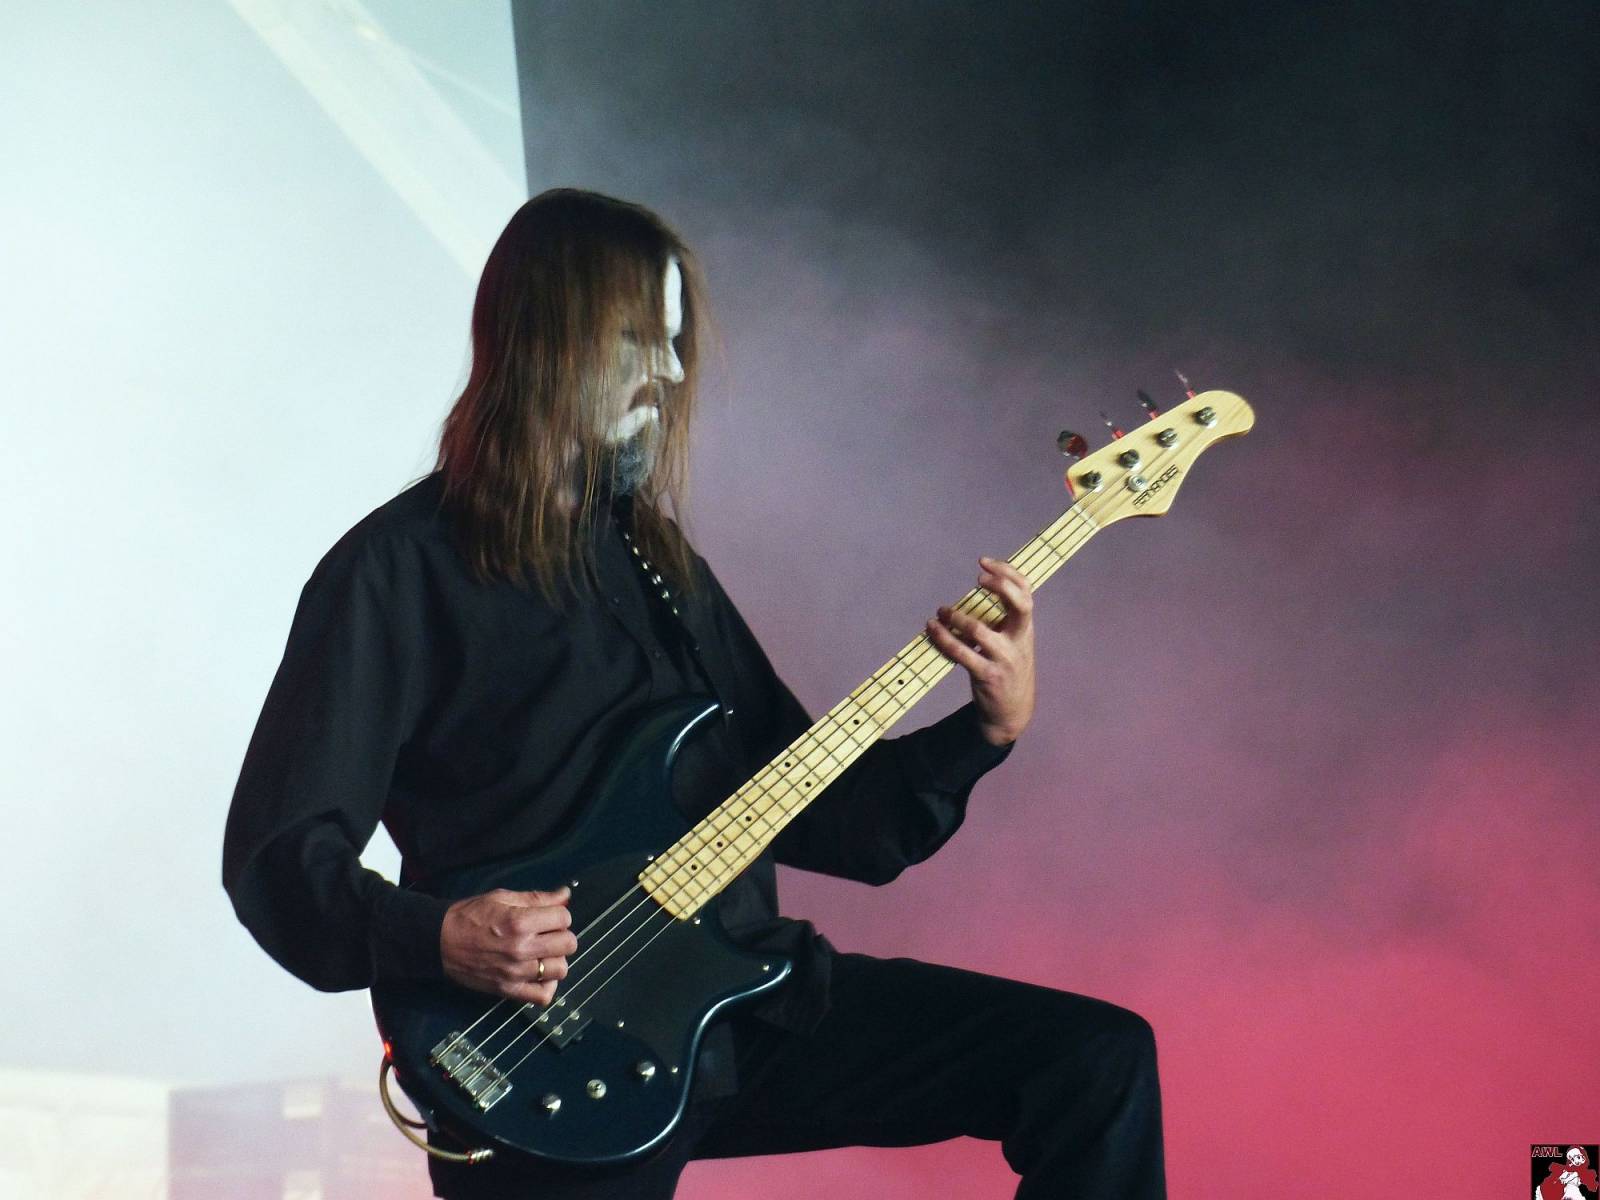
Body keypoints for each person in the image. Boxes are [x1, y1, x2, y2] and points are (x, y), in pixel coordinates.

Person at [222, 188, 1166, 1199]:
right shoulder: (396, 571)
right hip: (537, 1056)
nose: (670, 373)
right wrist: (440, 936)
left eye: (672, 342)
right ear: (552, 336)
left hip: (738, 1002)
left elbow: (821, 812)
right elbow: (278, 856)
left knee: (1092, 1061)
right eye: (639, 339)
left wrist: (985, 729)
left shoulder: (655, 560)